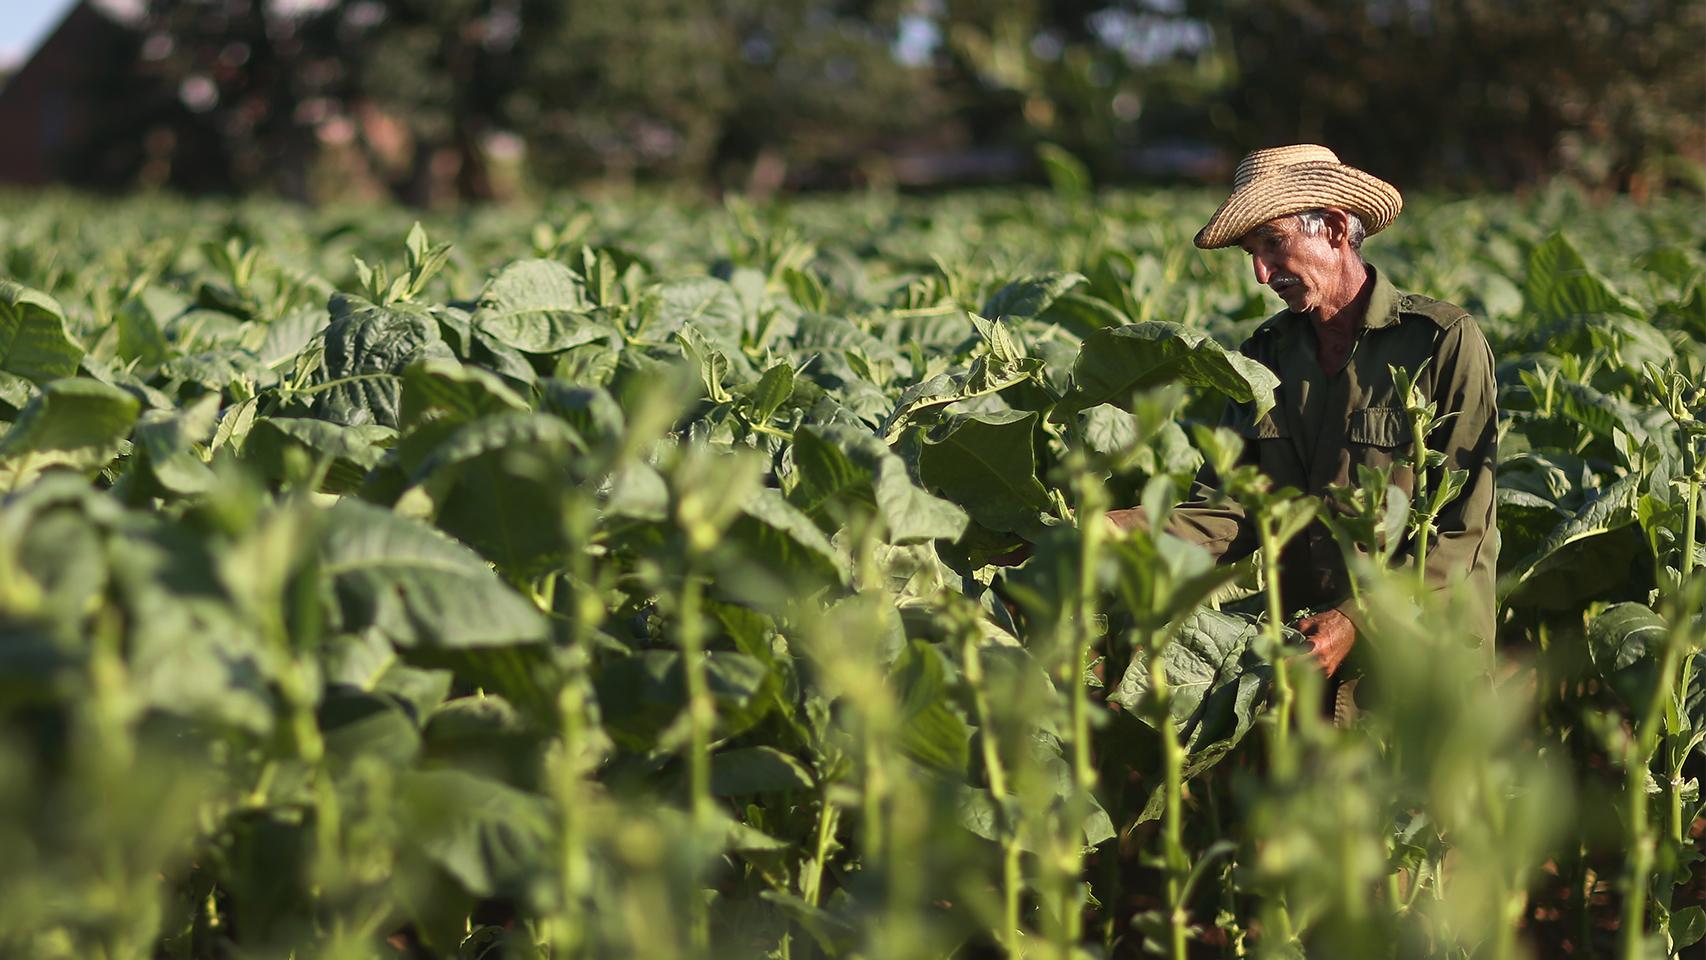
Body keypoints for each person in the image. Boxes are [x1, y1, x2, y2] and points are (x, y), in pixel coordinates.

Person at [1105, 144, 1498, 680]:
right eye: (1251, 254)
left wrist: (1357, 620)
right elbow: (1228, 509)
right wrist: (1111, 531)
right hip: (1303, 657)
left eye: (1272, 244)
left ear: (1335, 229)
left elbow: (1462, 530)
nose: (1262, 276)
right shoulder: (1263, 357)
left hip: (1422, 668)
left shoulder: (1441, 343)